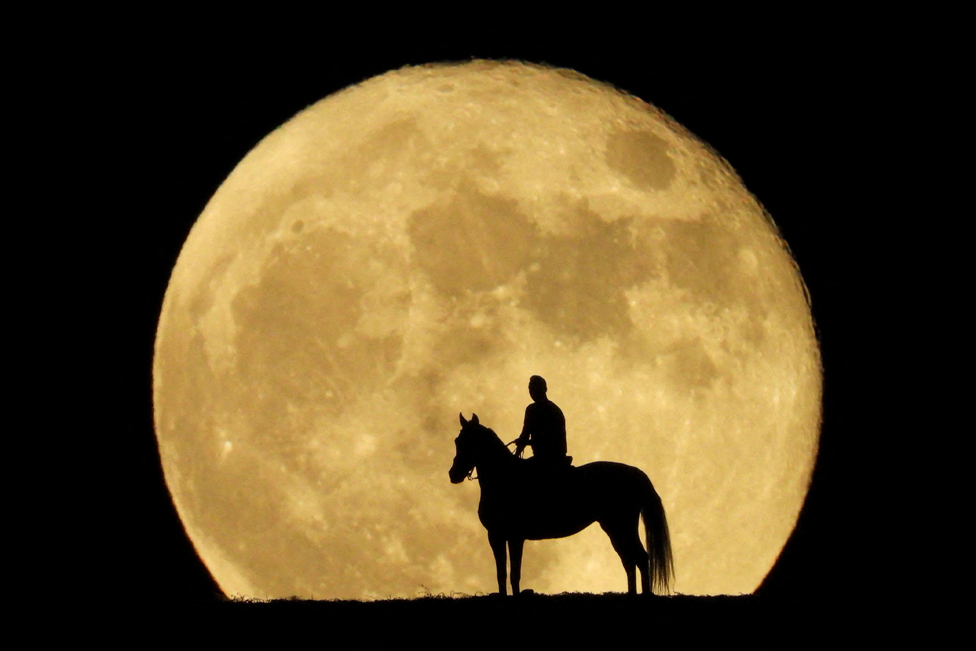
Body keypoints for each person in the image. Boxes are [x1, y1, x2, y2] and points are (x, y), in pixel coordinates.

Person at [514, 376, 570, 468]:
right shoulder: (556, 409)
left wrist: (515, 457)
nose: (531, 392)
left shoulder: (532, 409)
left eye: (532, 389)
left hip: (543, 460)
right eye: (530, 389)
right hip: (560, 458)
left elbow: (525, 436)